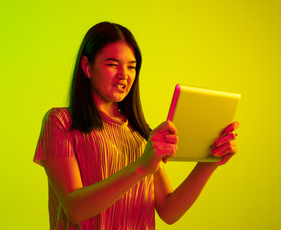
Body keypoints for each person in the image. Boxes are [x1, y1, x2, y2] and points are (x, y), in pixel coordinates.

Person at [34, 21, 239, 229]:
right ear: (87, 67)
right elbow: (75, 209)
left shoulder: (140, 134)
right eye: (113, 64)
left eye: (131, 67)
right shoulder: (60, 122)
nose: (124, 75)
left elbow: (169, 211)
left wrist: (209, 161)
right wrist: (141, 166)